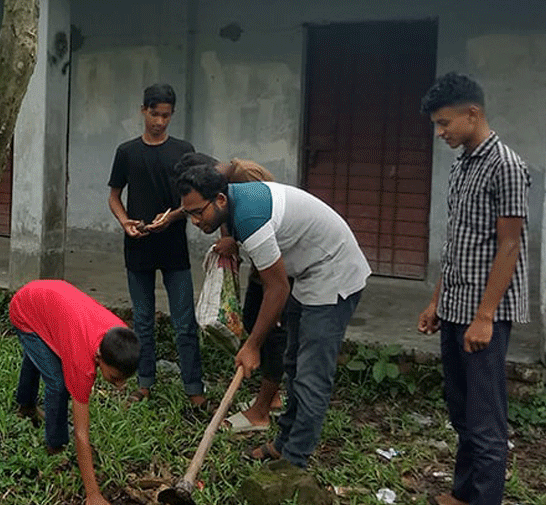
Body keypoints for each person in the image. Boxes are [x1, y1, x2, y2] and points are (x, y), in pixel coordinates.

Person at [176, 166, 370, 470]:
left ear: (220, 200)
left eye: (199, 212)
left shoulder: (251, 219)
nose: (196, 220)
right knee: (292, 362)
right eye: (190, 215)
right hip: (306, 272)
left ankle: (294, 462)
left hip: (333, 273)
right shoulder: (233, 200)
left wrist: (252, 345)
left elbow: (277, 289)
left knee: (311, 374)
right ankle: (284, 444)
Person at [417, 72, 530, 505]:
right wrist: (438, 299)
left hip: (485, 311)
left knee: (486, 416)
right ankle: (465, 494)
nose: (440, 133)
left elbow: (508, 245)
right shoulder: (464, 165)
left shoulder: (506, 166)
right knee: (460, 405)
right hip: (457, 304)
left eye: (445, 124)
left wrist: (485, 316)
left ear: (473, 114)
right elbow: (457, 242)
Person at [165, 152, 285, 433]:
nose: (195, 218)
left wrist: (236, 241)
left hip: (279, 264)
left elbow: (269, 224)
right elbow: (221, 215)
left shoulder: (248, 177)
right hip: (260, 261)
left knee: (273, 330)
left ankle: (265, 407)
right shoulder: (216, 193)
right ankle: (269, 395)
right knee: (255, 318)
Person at [107, 83, 206, 414]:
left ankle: (194, 388)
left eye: (166, 115)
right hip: (138, 246)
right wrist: (124, 222)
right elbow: (114, 195)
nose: (160, 122)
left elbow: (192, 198)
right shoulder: (127, 152)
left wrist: (174, 216)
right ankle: (144, 383)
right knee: (143, 319)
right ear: (143, 110)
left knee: (184, 321)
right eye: (155, 114)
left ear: (172, 114)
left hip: (174, 246)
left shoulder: (183, 150)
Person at [9, 280, 140, 505]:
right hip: (25, 310)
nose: (120, 386)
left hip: (47, 302)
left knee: (42, 358)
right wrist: (93, 493)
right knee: (57, 383)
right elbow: (81, 433)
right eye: (115, 378)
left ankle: (25, 406)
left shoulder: (120, 335)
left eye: (124, 380)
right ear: (100, 357)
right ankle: (55, 445)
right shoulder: (83, 364)